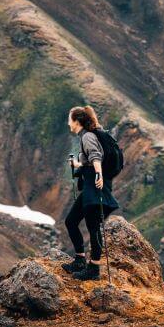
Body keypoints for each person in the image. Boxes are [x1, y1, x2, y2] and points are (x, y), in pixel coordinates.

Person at [62, 105, 119, 281]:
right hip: (91, 187)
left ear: (77, 121)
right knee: (72, 221)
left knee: (92, 227)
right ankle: (80, 259)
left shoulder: (87, 136)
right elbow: (91, 160)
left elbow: (95, 156)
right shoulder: (87, 135)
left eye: (70, 120)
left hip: (95, 186)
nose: (68, 123)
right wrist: (78, 165)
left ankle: (93, 269)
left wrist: (99, 175)